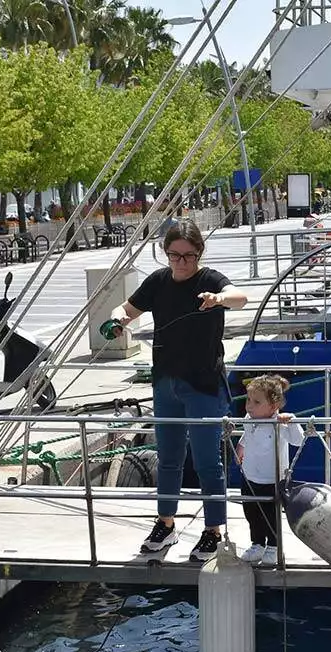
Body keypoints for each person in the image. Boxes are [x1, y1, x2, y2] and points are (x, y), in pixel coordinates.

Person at [110, 221, 248, 561]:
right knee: (169, 459)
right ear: (165, 253)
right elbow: (125, 309)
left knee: (207, 463)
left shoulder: (209, 280)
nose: (181, 262)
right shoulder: (158, 281)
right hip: (166, 384)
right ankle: (166, 524)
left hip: (203, 385)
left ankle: (213, 530)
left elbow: (240, 297)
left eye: (188, 255)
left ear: (199, 253)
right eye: (174, 255)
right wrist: (117, 320)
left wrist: (218, 299)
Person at [235, 374, 304, 565]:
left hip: (272, 479)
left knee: (271, 515)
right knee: (251, 512)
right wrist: (241, 447)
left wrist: (292, 421)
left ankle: (273, 546)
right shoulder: (249, 418)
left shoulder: (279, 423)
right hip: (250, 476)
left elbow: (298, 441)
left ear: (273, 407)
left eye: (256, 402)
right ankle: (257, 544)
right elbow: (247, 436)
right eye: (248, 400)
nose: (249, 405)